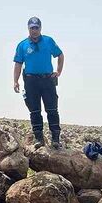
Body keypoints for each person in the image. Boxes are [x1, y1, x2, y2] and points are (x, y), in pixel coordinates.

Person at [13, 17, 64, 149]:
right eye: (32, 28)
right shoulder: (22, 45)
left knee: (52, 109)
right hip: (31, 81)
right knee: (34, 110)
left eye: (36, 28)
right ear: (28, 28)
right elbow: (18, 63)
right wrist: (15, 81)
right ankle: (38, 138)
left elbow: (60, 54)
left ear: (40, 28)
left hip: (47, 80)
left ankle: (55, 138)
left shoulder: (48, 41)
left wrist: (58, 71)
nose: (34, 30)